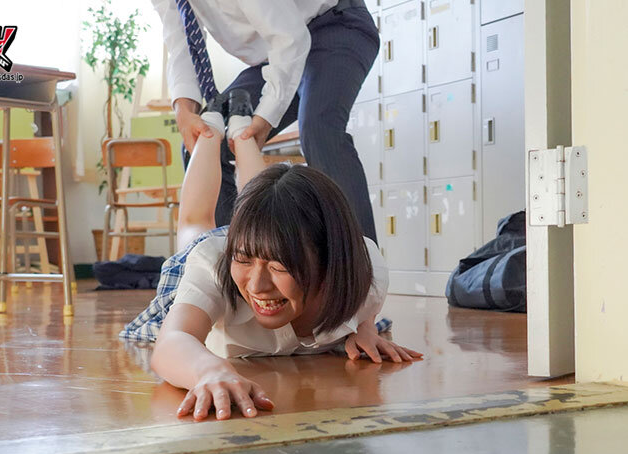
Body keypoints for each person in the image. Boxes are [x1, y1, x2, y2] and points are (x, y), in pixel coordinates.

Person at [120, 92, 422, 421]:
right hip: (225, 252)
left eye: (279, 267)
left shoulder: (366, 270)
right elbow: (172, 341)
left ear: (331, 260)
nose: (257, 286)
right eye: (246, 262)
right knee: (196, 224)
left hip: (261, 242)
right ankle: (213, 127)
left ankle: (241, 129)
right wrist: (208, 370)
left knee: (269, 207)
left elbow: (366, 306)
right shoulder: (214, 264)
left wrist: (365, 328)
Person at [152, 0, 379, 242]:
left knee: (319, 131)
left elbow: (291, 38)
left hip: (334, 26)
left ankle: (360, 258)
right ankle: (237, 254)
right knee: (202, 142)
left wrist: (266, 116)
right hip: (275, 55)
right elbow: (181, 42)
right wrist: (184, 110)